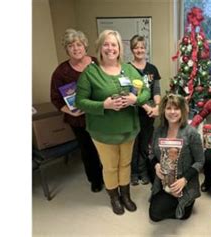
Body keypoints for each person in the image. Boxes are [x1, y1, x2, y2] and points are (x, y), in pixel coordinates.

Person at [75, 29, 150, 215]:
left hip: (128, 129)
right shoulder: (90, 72)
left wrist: (136, 99)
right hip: (103, 131)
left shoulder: (129, 69)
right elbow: (80, 101)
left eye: (114, 44)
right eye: (106, 44)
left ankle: (125, 195)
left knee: (125, 164)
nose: (110, 48)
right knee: (110, 166)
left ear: (119, 48)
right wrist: (104, 105)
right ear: (100, 47)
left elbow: (146, 91)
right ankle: (114, 197)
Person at [50, 28, 104, 193]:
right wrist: (70, 111)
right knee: (88, 150)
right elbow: (55, 98)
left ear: (85, 46)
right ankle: (95, 179)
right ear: (66, 49)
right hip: (79, 119)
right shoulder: (61, 72)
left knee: (104, 147)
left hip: (100, 115)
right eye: (71, 46)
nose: (76, 48)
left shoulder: (96, 63)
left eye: (79, 44)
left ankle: (109, 176)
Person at [148, 94, 204, 222]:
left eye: (177, 108)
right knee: (154, 215)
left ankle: (187, 201)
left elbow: (200, 161)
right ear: (163, 110)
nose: (172, 112)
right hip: (164, 180)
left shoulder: (191, 133)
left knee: (180, 215)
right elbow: (152, 154)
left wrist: (184, 179)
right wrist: (156, 165)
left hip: (184, 181)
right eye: (168, 108)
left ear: (182, 111)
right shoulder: (158, 130)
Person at [128, 35, 162, 186]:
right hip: (132, 113)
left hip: (149, 114)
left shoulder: (152, 69)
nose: (139, 50)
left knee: (144, 144)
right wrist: (146, 106)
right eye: (136, 47)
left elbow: (156, 91)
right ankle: (134, 172)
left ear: (145, 49)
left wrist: (158, 107)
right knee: (133, 145)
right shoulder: (127, 68)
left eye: (142, 47)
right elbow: (131, 94)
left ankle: (143, 171)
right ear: (132, 49)